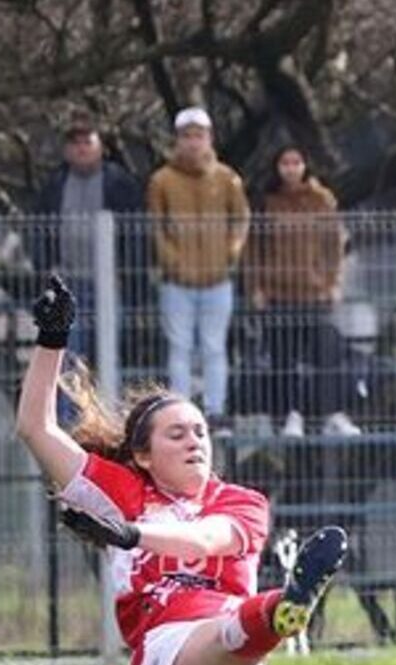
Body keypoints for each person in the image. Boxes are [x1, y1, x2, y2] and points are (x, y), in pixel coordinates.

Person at [14, 273, 355, 665]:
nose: (195, 440)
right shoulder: (125, 491)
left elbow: (206, 540)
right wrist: (52, 340)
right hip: (167, 664)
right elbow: (36, 429)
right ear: (144, 456)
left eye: (200, 430)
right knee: (231, 625)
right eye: (177, 434)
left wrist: (131, 536)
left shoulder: (241, 501)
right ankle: (283, 609)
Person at [246, 145, 361, 437]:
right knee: (284, 360)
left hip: (314, 292)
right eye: (285, 162)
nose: (291, 168)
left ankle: (332, 414)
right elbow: (254, 248)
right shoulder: (267, 202)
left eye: (296, 162)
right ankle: (289, 417)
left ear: (305, 166)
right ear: (276, 167)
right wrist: (257, 286)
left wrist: (333, 282)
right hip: (278, 293)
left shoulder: (322, 200)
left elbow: (334, 245)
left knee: (326, 354)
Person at [148, 107, 250, 430]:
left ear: (209, 139)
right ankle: (180, 410)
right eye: (187, 136)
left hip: (217, 278)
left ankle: (215, 409)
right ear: (178, 140)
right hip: (176, 281)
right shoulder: (162, 180)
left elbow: (241, 218)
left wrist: (231, 251)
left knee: (214, 347)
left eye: (199, 136)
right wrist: (170, 260)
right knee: (179, 348)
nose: (193, 143)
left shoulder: (227, 178)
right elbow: (155, 226)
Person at [31, 112, 147, 360]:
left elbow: (135, 232)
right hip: (67, 283)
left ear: (100, 147)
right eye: (75, 143)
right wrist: (46, 269)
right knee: (69, 354)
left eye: (88, 142)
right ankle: (68, 401)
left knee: (110, 353)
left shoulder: (119, 183)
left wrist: (125, 273)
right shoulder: (54, 185)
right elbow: (38, 229)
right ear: (66, 150)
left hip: (109, 284)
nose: (81, 148)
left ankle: (107, 399)